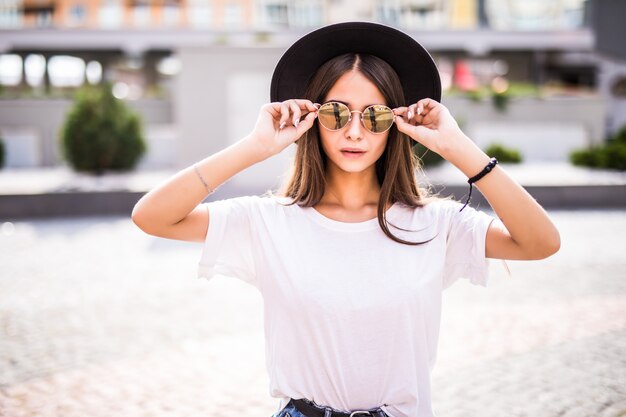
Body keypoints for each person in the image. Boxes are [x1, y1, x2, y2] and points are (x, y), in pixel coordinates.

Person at [132, 21, 560, 417]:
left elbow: (541, 242)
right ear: (314, 118)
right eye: (336, 113)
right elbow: (152, 216)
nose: (354, 132)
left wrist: (458, 147)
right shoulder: (268, 221)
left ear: (396, 123)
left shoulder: (438, 224)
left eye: (374, 116)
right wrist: (254, 147)